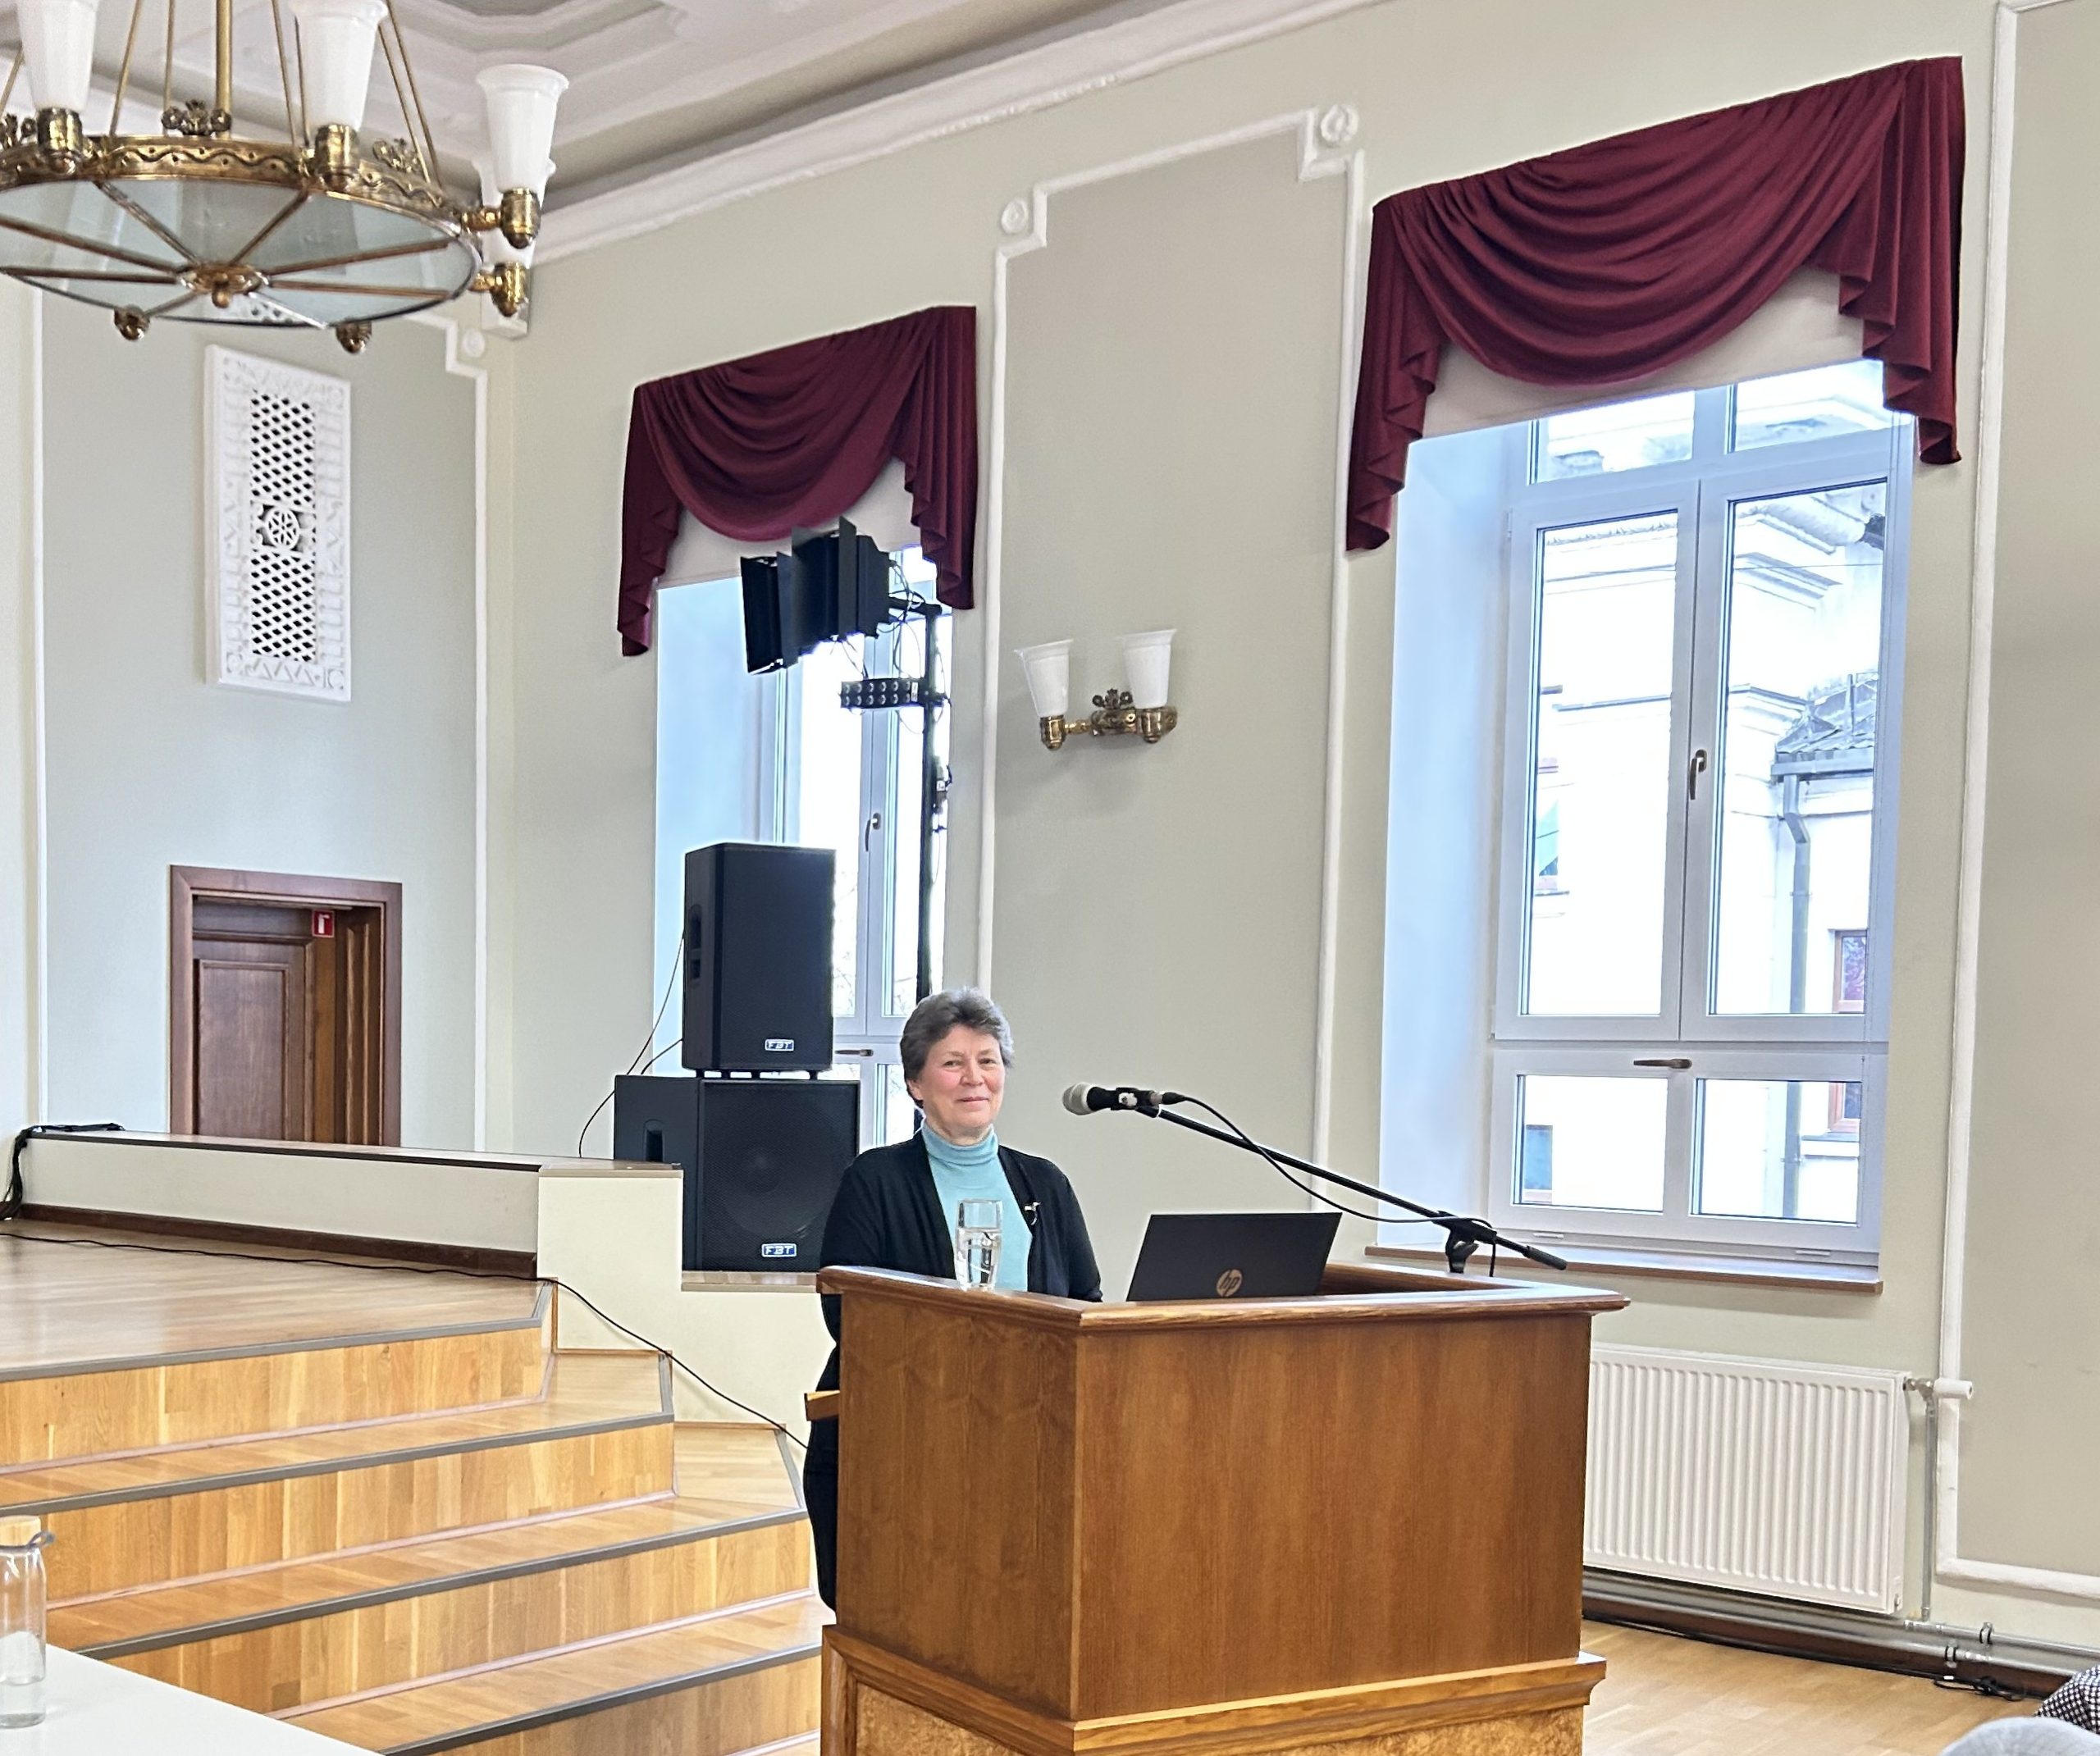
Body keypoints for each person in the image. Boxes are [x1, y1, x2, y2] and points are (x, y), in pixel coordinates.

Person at [801, 987, 1101, 1607]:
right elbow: (847, 1313)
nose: (974, 1078)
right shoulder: (874, 1180)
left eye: (988, 1060)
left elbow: (1085, 1299)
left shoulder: (1044, 1183)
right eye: (952, 1062)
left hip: (1029, 1437)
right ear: (915, 1082)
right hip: (905, 1440)